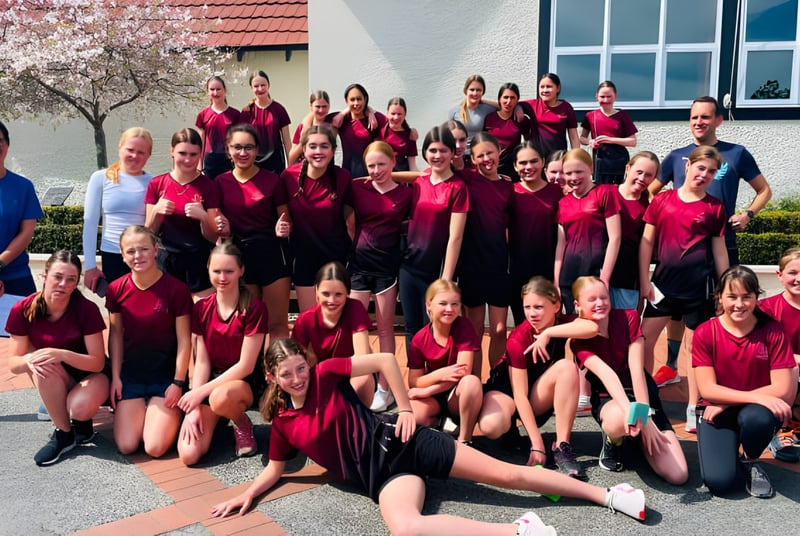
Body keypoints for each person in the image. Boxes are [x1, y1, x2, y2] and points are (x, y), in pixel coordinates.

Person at [210, 338, 648, 532]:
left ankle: (609, 495)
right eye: (287, 374)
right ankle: (520, 529)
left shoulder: (325, 373)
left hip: (409, 441)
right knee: (407, 528)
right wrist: (246, 494)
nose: (298, 378)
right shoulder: (283, 423)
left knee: (510, 476)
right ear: (273, 378)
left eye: (300, 368)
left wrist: (404, 408)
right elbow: (275, 468)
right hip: (385, 479)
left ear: (307, 364)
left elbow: (385, 360)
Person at [648, 96, 772, 388]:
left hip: (720, 244)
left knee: (724, 306)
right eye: (694, 117)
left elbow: (764, 190)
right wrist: (667, 219)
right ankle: (671, 367)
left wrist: (748, 215)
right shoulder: (677, 156)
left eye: (705, 117)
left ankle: (726, 372)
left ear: (718, 120)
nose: (699, 122)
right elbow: (652, 191)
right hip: (680, 251)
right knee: (677, 310)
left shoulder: (737, 153)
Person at [639, 146, 729, 433]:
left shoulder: (714, 207)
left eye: (711, 171)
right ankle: (647, 399)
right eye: (701, 167)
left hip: (698, 290)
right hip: (663, 287)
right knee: (643, 341)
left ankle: (693, 406)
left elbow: (720, 251)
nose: (704, 174)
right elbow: (646, 243)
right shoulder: (662, 200)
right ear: (688, 165)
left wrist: (724, 289)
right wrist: (644, 280)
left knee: (696, 350)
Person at [570, 276, 689, 485]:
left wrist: (645, 415)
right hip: (611, 399)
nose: (600, 303)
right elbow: (608, 376)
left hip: (643, 396)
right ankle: (614, 441)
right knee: (618, 420)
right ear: (578, 305)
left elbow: (636, 371)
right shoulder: (578, 341)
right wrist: (642, 419)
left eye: (603, 297)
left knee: (678, 475)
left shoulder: (629, 317)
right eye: (592, 299)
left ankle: (637, 436)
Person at [694, 266, 798, 497]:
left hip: (753, 410)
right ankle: (731, 452)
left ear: (756, 297)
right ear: (719, 296)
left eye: (746, 297)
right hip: (715, 410)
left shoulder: (772, 331)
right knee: (720, 483)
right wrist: (730, 403)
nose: (739, 304)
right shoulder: (705, 332)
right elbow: (707, 389)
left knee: (757, 419)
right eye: (732, 297)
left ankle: (750, 459)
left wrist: (727, 402)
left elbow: (782, 387)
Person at [478, 277, 597, 479]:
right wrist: (537, 444)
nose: (532, 313)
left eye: (539, 307)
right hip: (507, 393)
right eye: (527, 307)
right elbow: (519, 395)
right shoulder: (517, 339)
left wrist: (549, 333)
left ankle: (562, 446)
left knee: (567, 368)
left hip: (537, 395)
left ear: (556, 306)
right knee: (491, 426)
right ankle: (511, 433)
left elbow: (592, 328)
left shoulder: (560, 323)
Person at [6, 251, 108, 466]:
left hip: (92, 376)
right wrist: (29, 360)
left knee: (78, 407)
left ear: (76, 283)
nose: (63, 284)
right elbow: (14, 364)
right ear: (44, 276)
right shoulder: (22, 309)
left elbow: (97, 362)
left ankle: (81, 424)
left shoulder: (86, 309)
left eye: (71, 279)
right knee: (41, 362)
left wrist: (61, 353)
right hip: (55, 376)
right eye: (57, 277)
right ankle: (64, 433)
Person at [177, 242, 267, 464]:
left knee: (220, 398)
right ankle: (218, 417)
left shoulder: (254, 308)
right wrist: (194, 406)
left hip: (242, 383)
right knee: (189, 455)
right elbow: (202, 361)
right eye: (217, 271)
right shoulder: (201, 308)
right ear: (208, 269)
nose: (222, 277)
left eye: (229, 271)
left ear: (241, 271)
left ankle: (241, 422)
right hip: (211, 382)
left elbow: (246, 365)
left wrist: (199, 393)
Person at [107, 225, 192, 457]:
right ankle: (142, 413)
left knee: (154, 447)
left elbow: (185, 340)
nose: (138, 256)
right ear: (122, 256)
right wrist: (116, 377)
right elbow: (115, 335)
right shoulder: (116, 289)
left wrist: (178, 382)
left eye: (144, 249)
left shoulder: (177, 289)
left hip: (166, 379)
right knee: (127, 446)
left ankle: (167, 415)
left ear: (156, 250)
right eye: (130, 251)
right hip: (132, 377)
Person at [349, 141, 413, 411]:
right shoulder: (358, 188)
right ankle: (361, 381)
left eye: (382, 164)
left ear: (393, 161)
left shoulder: (405, 193)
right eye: (371, 166)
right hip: (359, 266)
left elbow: (422, 176)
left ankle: (385, 388)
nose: (376, 171)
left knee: (385, 328)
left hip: (387, 268)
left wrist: (395, 174)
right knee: (355, 327)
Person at [214, 124, 291, 339]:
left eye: (249, 147)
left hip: (272, 255)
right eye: (237, 147)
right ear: (228, 149)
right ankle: (253, 362)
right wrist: (221, 229)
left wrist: (284, 228)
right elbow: (217, 223)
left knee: (277, 324)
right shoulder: (220, 182)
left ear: (257, 150)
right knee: (250, 324)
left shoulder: (272, 180)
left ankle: (279, 361)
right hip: (240, 258)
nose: (243, 153)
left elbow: (286, 220)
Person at [399, 125, 469, 353]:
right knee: (411, 328)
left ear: (452, 152)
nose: (437, 156)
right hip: (409, 266)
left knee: (434, 329)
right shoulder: (420, 181)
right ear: (425, 153)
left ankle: (435, 375)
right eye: (432, 151)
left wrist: (446, 280)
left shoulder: (458, 187)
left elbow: (455, 237)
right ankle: (414, 374)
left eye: (443, 150)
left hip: (435, 271)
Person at [280, 124, 353, 312]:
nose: (318, 151)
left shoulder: (343, 177)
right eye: (312, 146)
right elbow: (284, 216)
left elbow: (351, 220)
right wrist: (281, 227)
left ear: (333, 150)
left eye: (324, 146)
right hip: (303, 258)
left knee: (333, 319)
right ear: (303, 150)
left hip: (335, 258)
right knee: (309, 319)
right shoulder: (289, 176)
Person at [458, 132, 513, 374]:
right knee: (475, 330)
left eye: (490, 152)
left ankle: (495, 380)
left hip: (500, 265)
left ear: (499, 151)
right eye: (480, 155)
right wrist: (391, 175)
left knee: (499, 329)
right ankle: (475, 381)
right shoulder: (466, 178)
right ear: (473, 159)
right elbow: (426, 176)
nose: (486, 159)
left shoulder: (509, 186)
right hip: (472, 265)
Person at [145, 128, 221, 297]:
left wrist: (203, 217)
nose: (188, 159)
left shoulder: (209, 186)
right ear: (172, 151)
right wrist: (156, 211)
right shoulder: (157, 184)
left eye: (193, 154)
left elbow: (213, 237)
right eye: (182, 153)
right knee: (167, 312)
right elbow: (149, 233)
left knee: (200, 312)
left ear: (200, 154)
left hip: (199, 261)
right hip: (166, 261)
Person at [407, 280, 482, 444]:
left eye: (455, 304)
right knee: (411, 414)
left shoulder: (464, 326)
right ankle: (439, 423)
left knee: (471, 382)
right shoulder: (419, 338)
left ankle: (465, 439)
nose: (449, 309)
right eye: (443, 303)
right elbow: (413, 381)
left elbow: (463, 371)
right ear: (429, 304)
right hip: (435, 396)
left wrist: (428, 390)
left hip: (457, 392)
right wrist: (440, 374)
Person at [291, 262, 376, 406]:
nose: (331, 300)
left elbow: (362, 358)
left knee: (363, 378)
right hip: (320, 377)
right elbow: (294, 362)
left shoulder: (355, 309)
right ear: (316, 290)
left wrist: (326, 367)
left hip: (351, 373)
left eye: (338, 294)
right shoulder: (305, 319)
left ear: (347, 293)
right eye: (326, 294)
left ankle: (359, 416)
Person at [82, 127, 154, 292]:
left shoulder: (154, 182)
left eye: (141, 152)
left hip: (144, 258)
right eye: (130, 150)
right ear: (120, 148)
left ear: (148, 155)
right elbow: (90, 223)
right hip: (112, 256)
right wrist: (90, 266)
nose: (134, 156)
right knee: (117, 306)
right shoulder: (100, 178)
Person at [553, 149, 621, 313]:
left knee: (595, 323)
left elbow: (615, 238)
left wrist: (604, 278)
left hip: (594, 274)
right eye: (568, 173)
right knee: (573, 321)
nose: (573, 177)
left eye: (579, 171)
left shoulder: (604, 193)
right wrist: (556, 281)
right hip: (568, 276)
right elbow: (561, 245)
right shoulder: (563, 202)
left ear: (591, 168)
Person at [508, 142, 562, 325]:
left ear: (543, 162)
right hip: (517, 272)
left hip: (549, 270)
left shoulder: (557, 193)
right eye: (523, 163)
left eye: (533, 161)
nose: (528, 167)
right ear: (515, 166)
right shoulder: (510, 192)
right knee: (522, 326)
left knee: (550, 325)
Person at [758, 248, 800, 461]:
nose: (799, 279)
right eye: (793, 273)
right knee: (790, 370)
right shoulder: (766, 309)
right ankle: (782, 428)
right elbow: (758, 350)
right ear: (779, 275)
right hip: (775, 373)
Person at [609, 151, 660, 311]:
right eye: (639, 172)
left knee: (625, 324)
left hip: (627, 278)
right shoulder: (605, 193)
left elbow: (646, 246)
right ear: (627, 169)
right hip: (596, 275)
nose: (642, 178)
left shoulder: (649, 207)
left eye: (648, 175)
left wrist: (643, 283)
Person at [0, 120, 44, 298]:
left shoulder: (23, 186)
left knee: (29, 317)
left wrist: (0, 263)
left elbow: (26, 232)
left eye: (0, 140)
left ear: (7, 145)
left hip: (17, 277)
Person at [579, 81, 638, 185]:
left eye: (609, 97)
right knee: (600, 189)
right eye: (602, 97)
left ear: (615, 96)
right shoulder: (590, 116)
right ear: (596, 97)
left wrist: (610, 140)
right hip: (600, 161)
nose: (605, 100)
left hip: (620, 161)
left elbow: (632, 141)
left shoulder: (622, 115)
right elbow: (582, 138)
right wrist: (590, 142)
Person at [239, 70, 292, 174]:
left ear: (268, 85)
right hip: (253, 164)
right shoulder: (246, 111)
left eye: (263, 85)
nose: (260, 89)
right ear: (251, 88)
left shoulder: (279, 109)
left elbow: (287, 142)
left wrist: (291, 166)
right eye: (256, 86)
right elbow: (241, 141)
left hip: (275, 163)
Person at [482, 83, 535, 181]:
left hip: (511, 168)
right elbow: (483, 142)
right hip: (491, 166)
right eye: (505, 97)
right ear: (499, 99)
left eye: (512, 98)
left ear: (517, 100)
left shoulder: (521, 120)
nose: (508, 101)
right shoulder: (490, 118)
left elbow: (527, 142)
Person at [195, 75, 241, 180]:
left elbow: (239, 140)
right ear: (208, 92)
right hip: (210, 161)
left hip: (229, 161)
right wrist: (199, 165)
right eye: (212, 89)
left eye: (218, 89)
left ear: (225, 90)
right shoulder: (203, 114)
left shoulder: (235, 114)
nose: (215, 93)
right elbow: (201, 141)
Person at [337, 83, 387, 178]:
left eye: (359, 99)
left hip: (371, 173)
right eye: (352, 99)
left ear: (365, 99)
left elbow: (393, 121)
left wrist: (410, 130)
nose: (356, 103)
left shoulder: (374, 120)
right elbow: (318, 117)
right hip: (348, 172)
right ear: (346, 101)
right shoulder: (342, 120)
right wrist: (343, 113)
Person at [523, 73, 579, 157]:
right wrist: (518, 108)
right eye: (542, 87)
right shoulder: (532, 105)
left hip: (558, 157)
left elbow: (573, 137)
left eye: (549, 87)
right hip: (536, 158)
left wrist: (577, 157)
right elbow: (508, 105)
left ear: (558, 88)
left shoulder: (566, 107)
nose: (545, 90)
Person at [447, 75, 496, 156]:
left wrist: (518, 108)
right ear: (465, 91)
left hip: (479, 155)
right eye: (472, 90)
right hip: (459, 155)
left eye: (479, 90)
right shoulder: (454, 111)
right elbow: (448, 137)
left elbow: (506, 106)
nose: (475, 93)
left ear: (483, 92)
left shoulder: (487, 109)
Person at [288, 90, 333, 165]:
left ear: (329, 106)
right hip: (305, 169)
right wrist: (305, 139)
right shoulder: (303, 127)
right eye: (317, 106)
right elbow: (291, 158)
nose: (321, 110)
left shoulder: (333, 125)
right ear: (311, 107)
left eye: (324, 106)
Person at [378, 97, 419, 172]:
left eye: (399, 114)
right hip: (381, 172)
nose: (396, 117)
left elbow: (412, 165)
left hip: (401, 174)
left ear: (405, 115)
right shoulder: (379, 129)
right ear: (387, 113)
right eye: (393, 114)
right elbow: (364, 108)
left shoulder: (410, 135)